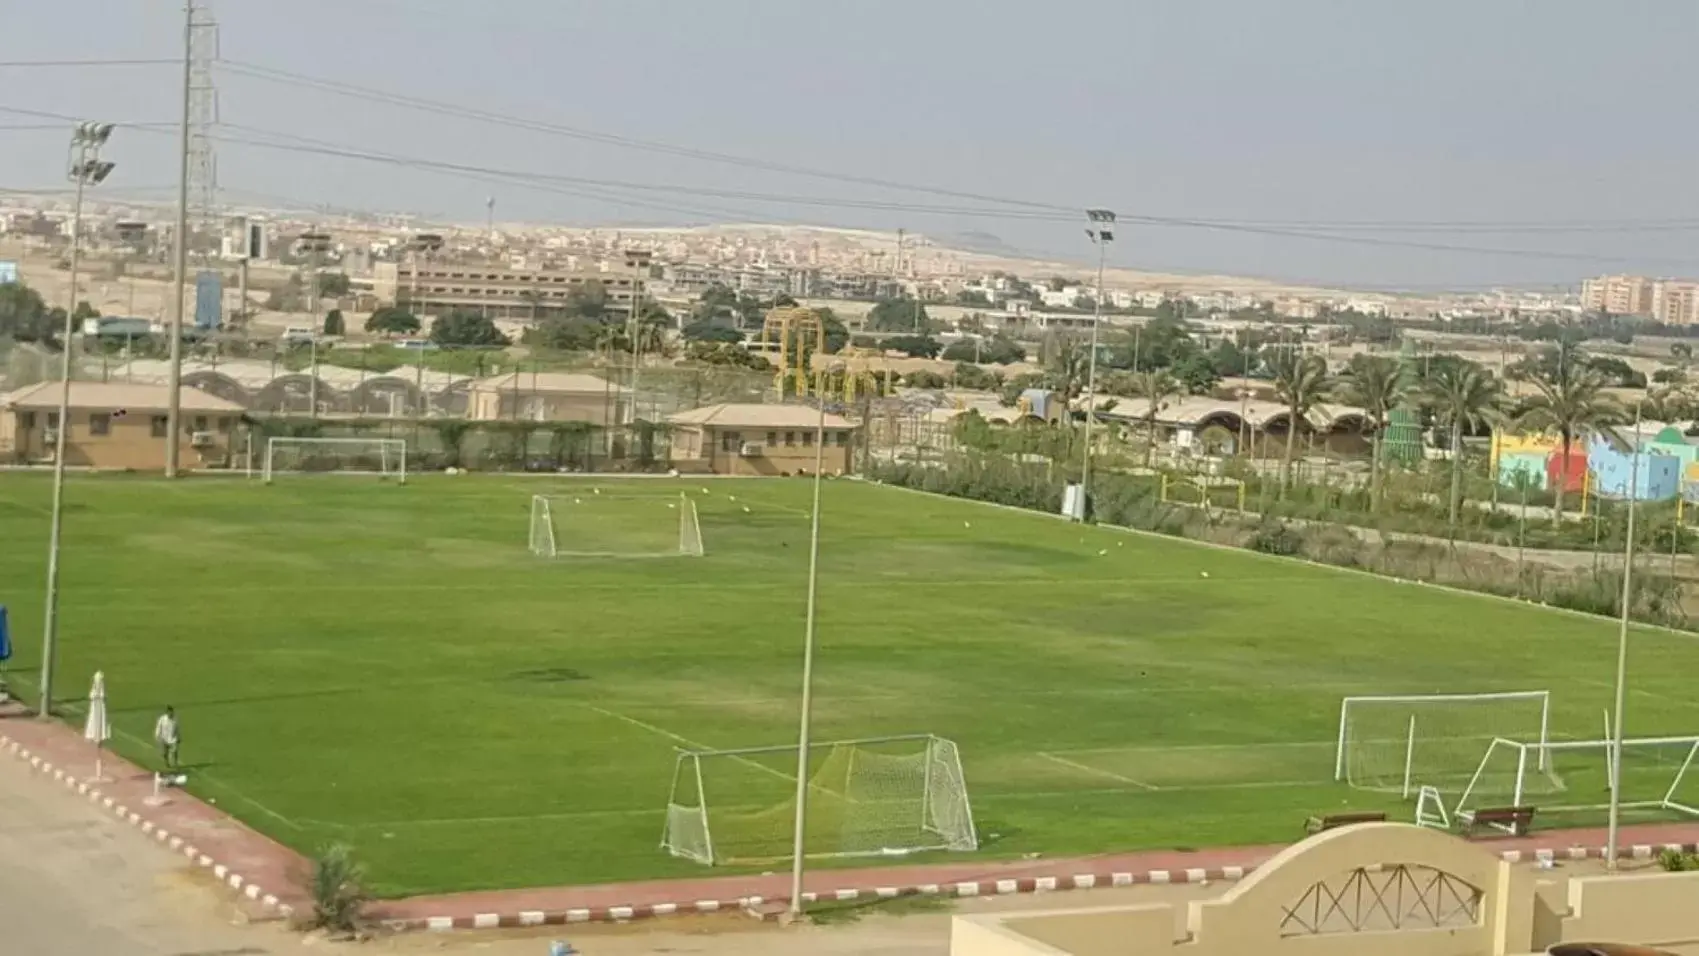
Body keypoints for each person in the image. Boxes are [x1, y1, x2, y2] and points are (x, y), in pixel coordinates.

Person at [153, 705, 180, 772]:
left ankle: (175, 764)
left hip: (173, 739)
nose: (171, 713)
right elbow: (159, 727)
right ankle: (167, 762)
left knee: (175, 751)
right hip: (164, 738)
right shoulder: (162, 719)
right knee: (165, 753)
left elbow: (177, 729)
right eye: (170, 712)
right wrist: (157, 735)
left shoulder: (175, 720)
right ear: (167, 712)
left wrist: (179, 737)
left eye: (172, 712)